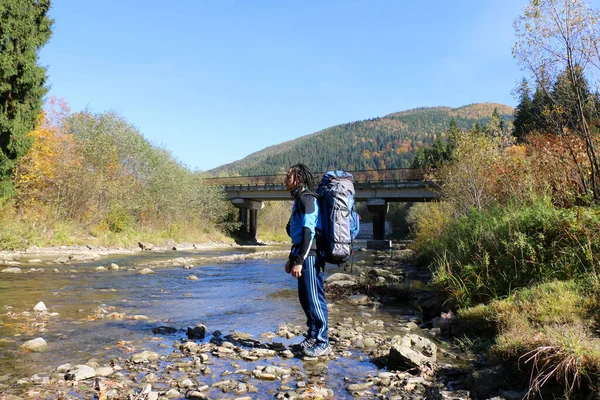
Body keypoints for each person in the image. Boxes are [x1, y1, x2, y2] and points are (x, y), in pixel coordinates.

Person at [284, 163, 331, 357]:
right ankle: (312, 336)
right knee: (305, 299)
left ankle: (322, 340)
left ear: (299, 179)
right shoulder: (299, 199)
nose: (285, 179)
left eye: (289, 176)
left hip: (311, 256)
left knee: (314, 298)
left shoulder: (308, 199)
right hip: (302, 254)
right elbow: (296, 234)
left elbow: (308, 231)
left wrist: (300, 260)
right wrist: (291, 258)